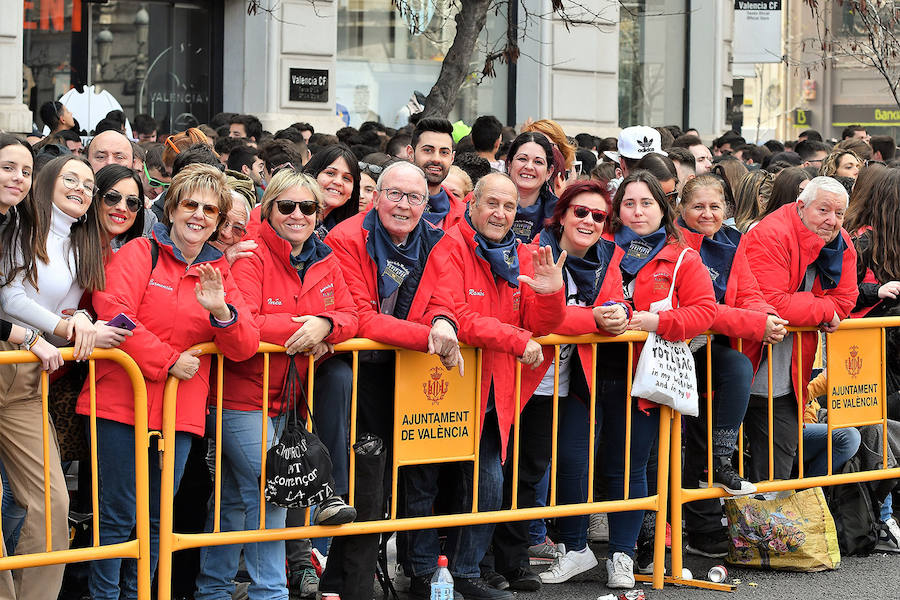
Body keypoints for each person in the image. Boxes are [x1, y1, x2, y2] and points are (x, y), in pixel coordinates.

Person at [74, 164, 259, 599]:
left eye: (210, 210)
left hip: (180, 413)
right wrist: (169, 361)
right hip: (118, 404)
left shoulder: (218, 271)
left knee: (159, 519)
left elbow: (244, 344)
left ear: (218, 220)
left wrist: (221, 312)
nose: (199, 215)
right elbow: (115, 313)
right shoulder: (140, 252)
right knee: (117, 518)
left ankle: (143, 594)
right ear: (172, 207)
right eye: (191, 204)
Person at [399, 172, 566, 599]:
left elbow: (540, 325)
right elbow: (454, 314)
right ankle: (422, 573)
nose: (501, 213)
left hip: (493, 388)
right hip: (438, 381)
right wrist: (515, 339)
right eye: (492, 203)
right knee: (424, 481)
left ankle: (466, 571)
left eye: (509, 206)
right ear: (472, 203)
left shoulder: (521, 255)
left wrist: (550, 295)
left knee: (488, 482)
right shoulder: (449, 245)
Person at [195, 170, 357, 600]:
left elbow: (352, 314)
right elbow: (243, 321)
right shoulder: (250, 254)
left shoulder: (325, 257)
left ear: (319, 213)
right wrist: (305, 330)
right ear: (269, 211)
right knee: (273, 493)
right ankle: (271, 593)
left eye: (308, 207)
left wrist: (327, 324)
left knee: (233, 499)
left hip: (285, 401)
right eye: (287, 206)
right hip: (238, 397)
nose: (298, 215)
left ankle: (212, 589)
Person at [320, 161, 462, 600]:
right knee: (365, 482)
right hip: (355, 373)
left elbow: (447, 297)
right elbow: (361, 318)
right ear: (376, 196)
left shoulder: (438, 239)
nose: (404, 205)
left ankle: (366, 580)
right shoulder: (345, 239)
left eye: (414, 197)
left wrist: (443, 320)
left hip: (409, 374)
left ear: (426, 203)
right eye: (395, 194)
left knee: (398, 485)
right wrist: (431, 335)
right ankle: (350, 585)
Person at [492, 179, 628, 588]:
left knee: (531, 473)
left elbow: (616, 300)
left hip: (570, 383)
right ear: (563, 214)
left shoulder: (609, 256)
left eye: (598, 216)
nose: (588, 221)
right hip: (522, 375)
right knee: (501, 472)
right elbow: (539, 318)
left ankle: (512, 563)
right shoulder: (537, 251)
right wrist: (594, 319)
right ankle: (486, 565)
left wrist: (619, 312)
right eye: (580, 212)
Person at [590, 170, 716, 589]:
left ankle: (622, 556)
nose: (637, 211)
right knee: (583, 463)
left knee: (628, 468)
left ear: (662, 210)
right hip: (589, 370)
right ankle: (571, 547)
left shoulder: (682, 256)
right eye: (629, 203)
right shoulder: (599, 247)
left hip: (644, 376)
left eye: (647, 203)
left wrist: (656, 321)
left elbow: (704, 312)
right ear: (616, 209)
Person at [676, 175, 788, 557]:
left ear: (726, 209)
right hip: (666, 350)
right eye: (698, 207)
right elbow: (703, 309)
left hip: (706, 350)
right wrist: (756, 323)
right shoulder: (675, 242)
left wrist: (767, 315)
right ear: (681, 209)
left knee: (737, 368)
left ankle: (722, 460)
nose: (707, 214)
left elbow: (750, 292)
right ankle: (657, 535)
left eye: (715, 207)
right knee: (670, 445)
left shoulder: (731, 240)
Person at [0, 136, 78, 600]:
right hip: (20, 350)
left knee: (52, 501)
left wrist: (76, 321)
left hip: (21, 379)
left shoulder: (20, 225)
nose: (18, 178)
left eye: (25, 171)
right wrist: (20, 334)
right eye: (8, 167)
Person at [741, 176, 859, 482]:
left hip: (789, 380)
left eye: (839, 214)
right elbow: (772, 302)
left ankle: (767, 530)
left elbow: (847, 299)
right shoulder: (770, 233)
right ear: (801, 206)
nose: (832, 221)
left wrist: (817, 309)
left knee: (775, 476)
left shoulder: (841, 241)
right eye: (823, 210)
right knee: (715, 468)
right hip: (743, 366)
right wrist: (823, 309)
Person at [406, 118, 466, 229]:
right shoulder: (386, 205)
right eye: (428, 150)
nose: (436, 159)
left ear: (452, 158)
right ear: (410, 153)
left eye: (444, 152)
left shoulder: (465, 217)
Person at [506, 131, 557, 243]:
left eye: (538, 162)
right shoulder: (486, 204)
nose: (529, 167)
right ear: (509, 165)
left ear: (549, 172)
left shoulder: (560, 214)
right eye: (522, 159)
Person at [303, 144, 360, 233]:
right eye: (330, 173)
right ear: (312, 175)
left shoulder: (348, 231)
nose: (338, 182)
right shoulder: (293, 218)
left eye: (346, 178)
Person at [93, 164, 146, 253]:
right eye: (112, 197)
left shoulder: (119, 258)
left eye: (132, 202)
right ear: (95, 198)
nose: (122, 208)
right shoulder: (68, 248)